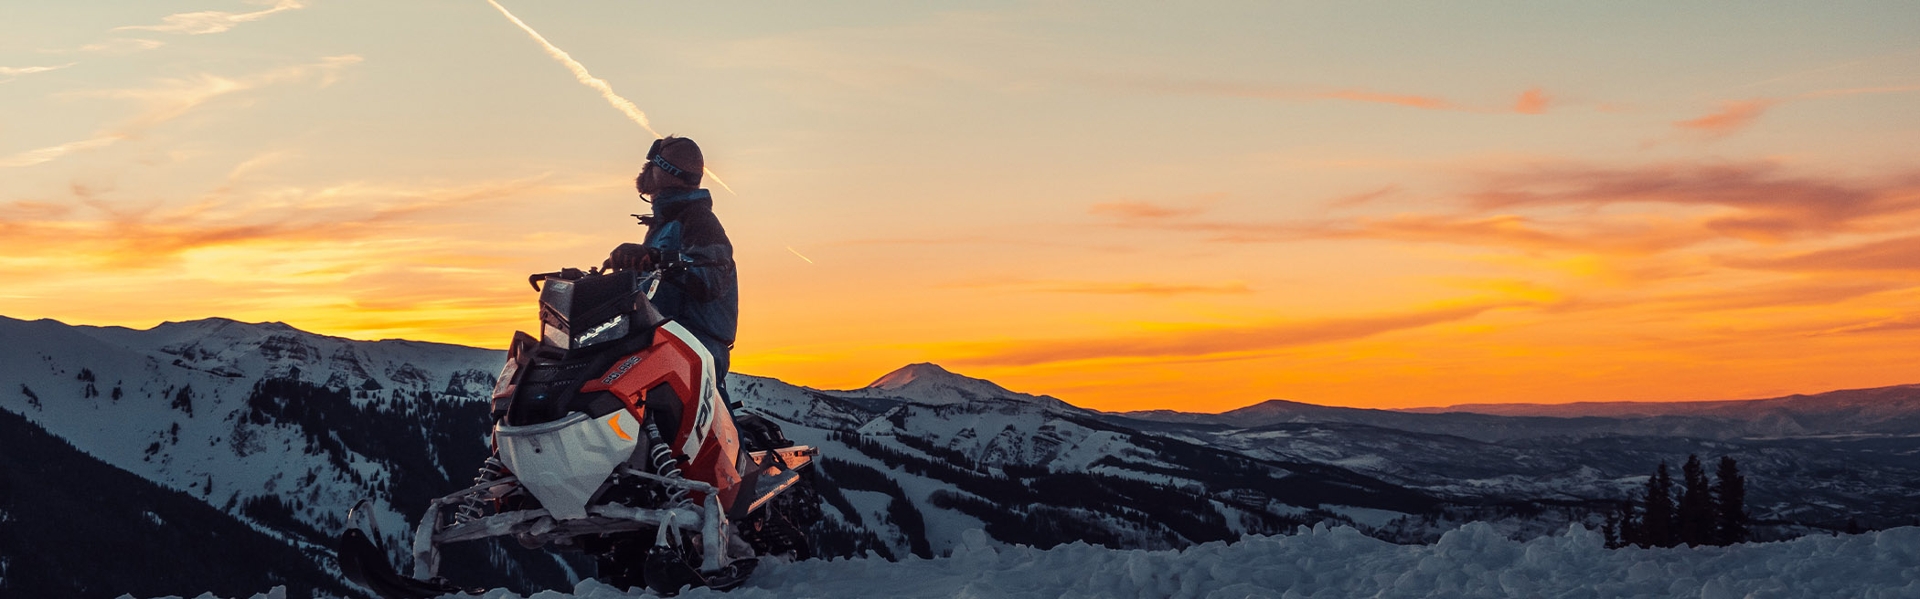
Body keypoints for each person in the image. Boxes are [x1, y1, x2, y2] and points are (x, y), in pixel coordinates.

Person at [604, 135, 739, 405]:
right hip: (659, 340)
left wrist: (656, 257)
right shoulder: (665, 224)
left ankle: (732, 445)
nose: (645, 169)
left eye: (652, 164)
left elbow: (710, 279)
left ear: (667, 172)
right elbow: (652, 285)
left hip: (693, 345)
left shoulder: (699, 221)